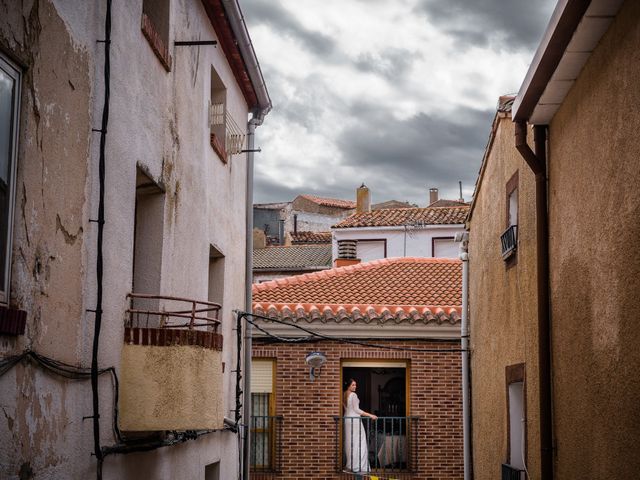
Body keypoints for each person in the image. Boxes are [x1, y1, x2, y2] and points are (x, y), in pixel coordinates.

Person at [343, 378, 377, 473]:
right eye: (353, 385)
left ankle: (350, 465)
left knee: (350, 441)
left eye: (355, 385)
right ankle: (358, 466)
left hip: (347, 419)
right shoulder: (353, 395)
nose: (355, 386)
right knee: (359, 442)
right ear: (348, 386)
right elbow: (357, 410)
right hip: (355, 420)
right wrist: (371, 415)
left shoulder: (344, 394)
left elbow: (346, 409)